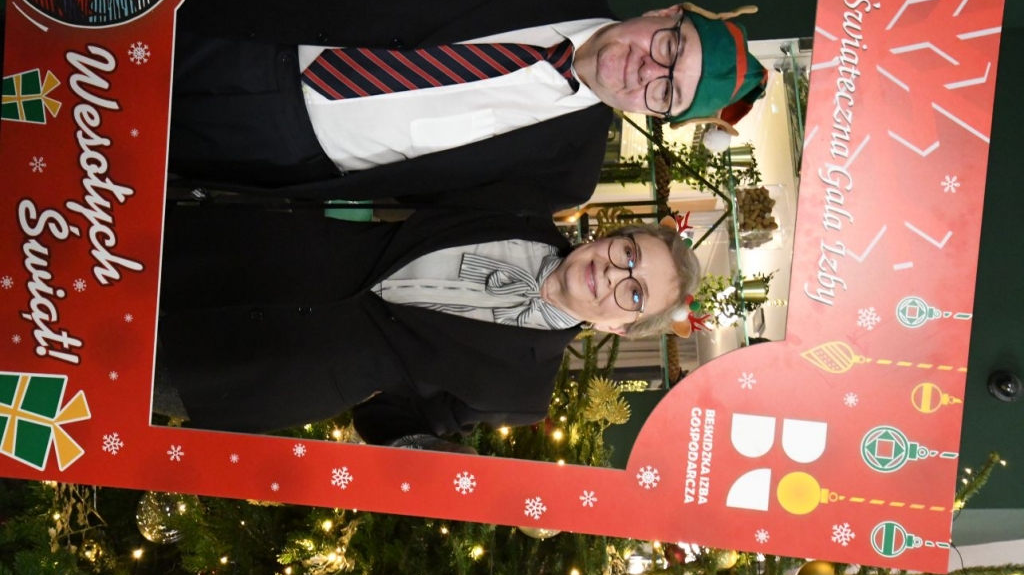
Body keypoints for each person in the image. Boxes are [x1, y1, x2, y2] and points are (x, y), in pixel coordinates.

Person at [169, 0, 767, 212]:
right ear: (665, 11)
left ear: (657, 115)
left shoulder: (565, 177)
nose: (648, 70)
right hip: (257, 22)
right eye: (669, 47)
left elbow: (428, 201)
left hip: (277, 153)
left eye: (668, 92)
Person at [155, 184, 701, 446]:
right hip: (248, 251)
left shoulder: (522, 392)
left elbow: (392, 423)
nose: (614, 273)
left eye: (634, 294)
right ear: (611, 236)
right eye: (628, 253)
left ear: (618, 327)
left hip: (261, 374)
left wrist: (425, 456)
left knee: (120, 373)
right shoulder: (520, 203)